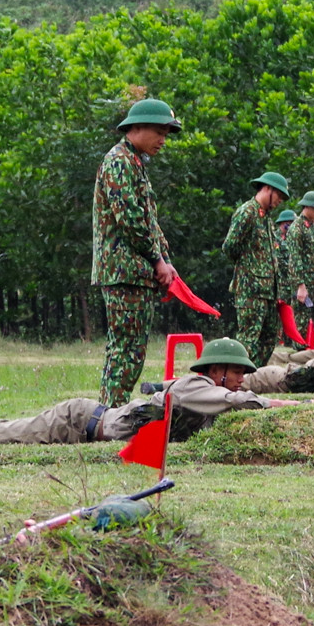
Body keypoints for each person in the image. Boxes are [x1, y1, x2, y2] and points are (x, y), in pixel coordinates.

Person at [0, 338, 314, 446]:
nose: (242, 380)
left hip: (97, 425)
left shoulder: (207, 389)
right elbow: (242, 402)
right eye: (237, 373)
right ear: (217, 371)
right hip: (80, 422)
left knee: (1, 430)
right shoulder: (197, 387)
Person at [92, 97, 180, 406]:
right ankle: (110, 415)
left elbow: (150, 221)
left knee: (131, 348)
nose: (163, 140)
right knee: (126, 350)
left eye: (166, 133)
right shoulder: (119, 161)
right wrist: (157, 260)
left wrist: (166, 262)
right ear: (136, 127)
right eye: (159, 131)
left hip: (136, 272)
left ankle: (109, 413)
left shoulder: (134, 163)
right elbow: (130, 221)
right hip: (123, 271)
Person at [221, 170, 289, 373]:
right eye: (278, 196)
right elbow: (230, 247)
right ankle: (235, 377)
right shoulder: (247, 212)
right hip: (251, 288)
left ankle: (253, 377)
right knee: (248, 337)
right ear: (267, 189)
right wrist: (248, 269)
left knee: (268, 339)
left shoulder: (266, 218)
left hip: (269, 290)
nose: (279, 202)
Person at [285, 191, 314, 342]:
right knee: (302, 321)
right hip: (304, 283)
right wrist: (300, 285)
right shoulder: (297, 228)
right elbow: (294, 258)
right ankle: (300, 354)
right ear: (307, 207)